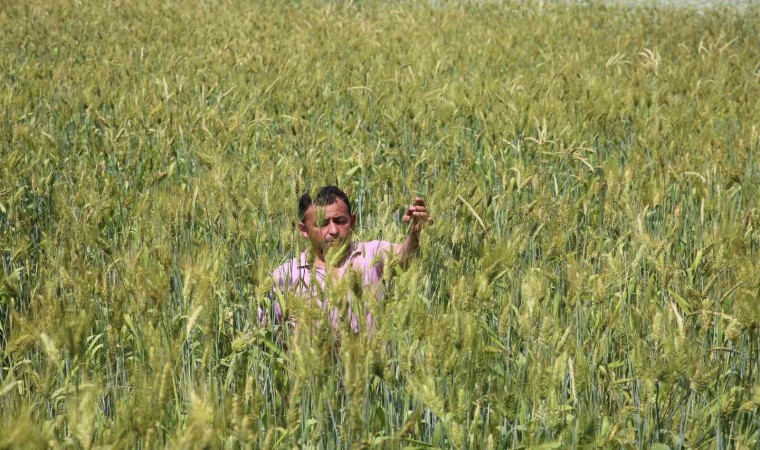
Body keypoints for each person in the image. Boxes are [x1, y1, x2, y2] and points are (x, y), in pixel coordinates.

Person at [259, 185, 431, 333]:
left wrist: (414, 235)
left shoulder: (370, 253)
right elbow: (266, 330)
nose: (333, 230)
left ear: (353, 221)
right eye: (322, 223)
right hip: (313, 370)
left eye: (340, 221)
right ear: (304, 230)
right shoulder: (286, 275)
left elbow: (405, 259)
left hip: (370, 368)